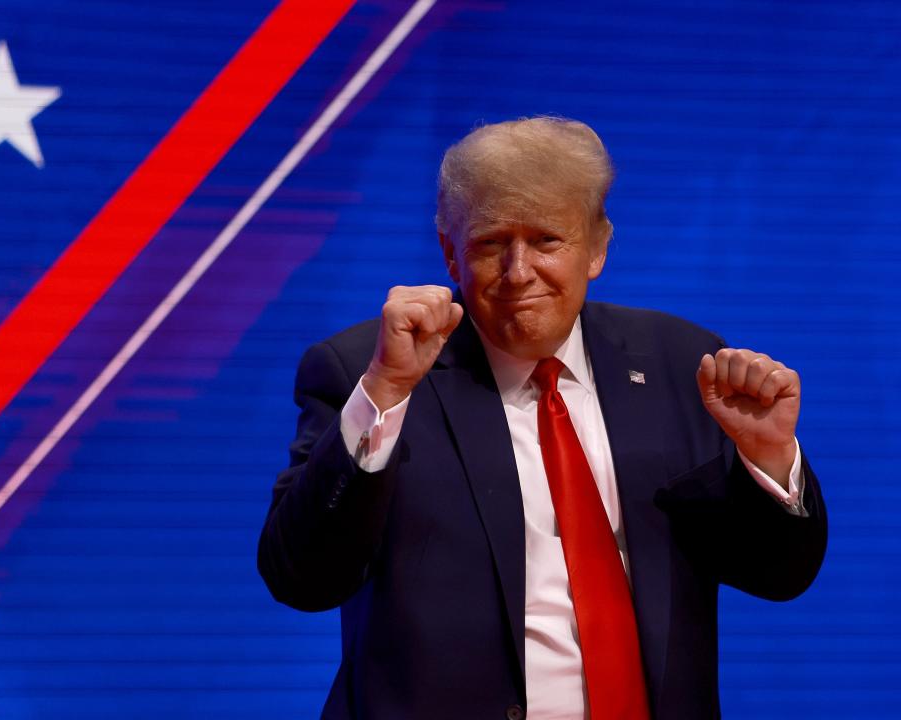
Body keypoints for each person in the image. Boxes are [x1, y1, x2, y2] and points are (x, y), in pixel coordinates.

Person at [257, 117, 827, 720]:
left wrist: (768, 459)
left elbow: (779, 574)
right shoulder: (369, 371)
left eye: (548, 240)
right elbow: (302, 578)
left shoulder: (681, 365)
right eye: (489, 242)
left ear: (597, 247)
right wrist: (386, 390)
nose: (518, 271)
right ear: (450, 253)